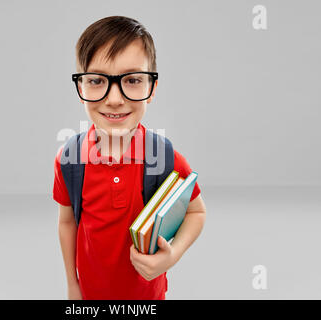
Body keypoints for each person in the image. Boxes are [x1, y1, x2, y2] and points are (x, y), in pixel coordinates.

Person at [53, 16, 207, 300]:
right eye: (97, 80)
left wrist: (171, 256)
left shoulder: (164, 157)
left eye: (133, 80)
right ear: (80, 88)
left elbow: (196, 212)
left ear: (153, 88)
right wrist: (72, 285)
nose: (114, 98)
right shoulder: (70, 160)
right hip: (90, 295)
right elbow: (67, 223)